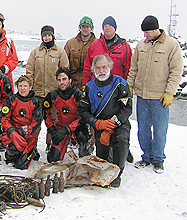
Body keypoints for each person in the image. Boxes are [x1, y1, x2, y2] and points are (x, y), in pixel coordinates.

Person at [127, 15, 183, 174]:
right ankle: (146, 156)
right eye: (144, 32)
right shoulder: (141, 45)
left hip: (159, 97)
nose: (145, 35)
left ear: (155, 29)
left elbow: (176, 71)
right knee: (143, 128)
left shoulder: (171, 45)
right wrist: (130, 85)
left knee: (159, 130)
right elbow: (134, 68)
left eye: (147, 32)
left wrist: (169, 92)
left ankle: (158, 159)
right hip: (142, 96)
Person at [78, 54, 132, 188]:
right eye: (98, 68)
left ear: (110, 67)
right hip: (100, 125)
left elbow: (127, 109)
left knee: (120, 140)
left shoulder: (120, 83)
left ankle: (117, 174)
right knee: (102, 157)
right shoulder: (90, 87)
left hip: (119, 124)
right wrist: (96, 123)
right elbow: (82, 110)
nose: (101, 71)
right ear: (93, 70)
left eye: (104, 67)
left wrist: (111, 127)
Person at [26, 25, 69, 152]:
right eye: (45, 35)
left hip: (54, 94)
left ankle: (51, 145)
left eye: (49, 35)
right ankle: (32, 145)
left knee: (53, 121)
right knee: (35, 121)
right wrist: (29, 88)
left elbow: (65, 71)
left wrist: (63, 89)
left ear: (53, 36)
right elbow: (29, 71)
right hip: (38, 93)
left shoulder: (60, 52)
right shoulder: (35, 52)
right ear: (42, 37)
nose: (47, 37)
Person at [43, 67, 91, 162]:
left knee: (84, 153)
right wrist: (51, 128)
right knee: (53, 159)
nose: (62, 82)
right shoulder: (53, 95)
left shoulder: (78, 94)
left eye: (64, 79)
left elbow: (84, 117)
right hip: (61, 126)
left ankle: (85, 148)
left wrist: (68, 129)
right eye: (59, 80)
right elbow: (45, 112)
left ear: (70, 80)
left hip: (77, 127)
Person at [0, 75, 42, 170]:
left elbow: (36, 121)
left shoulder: (35, 102)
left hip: (28, 135)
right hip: (14, 133)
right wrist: (11, 131)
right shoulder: (11, 100)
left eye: (25, 86)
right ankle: (12, 150)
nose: (23, 89)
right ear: (17, 87)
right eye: (20, 86)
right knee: (10, 159)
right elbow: (4, 118)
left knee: (21, 165)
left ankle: (32, 149)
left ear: (30, 87)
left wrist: (24, 131)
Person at [82, 16, 132, 87]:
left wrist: (128, 85)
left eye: (110, 26)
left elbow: (129, 69)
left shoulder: (124, 47)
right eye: (105, 26)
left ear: (115, 28)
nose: (107, 28)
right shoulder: (94, 46)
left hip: (116, 87)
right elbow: (87, 67)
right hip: (97, 87)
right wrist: (85, 85)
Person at [64, 16, 97, 89]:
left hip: (91, 85)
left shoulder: (97, 44)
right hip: (73, 85)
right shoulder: (70, 43)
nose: (85, 29)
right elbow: (64, 64)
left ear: (91, 28)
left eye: (87, 27)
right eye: (83, 26)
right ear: (80, 28)